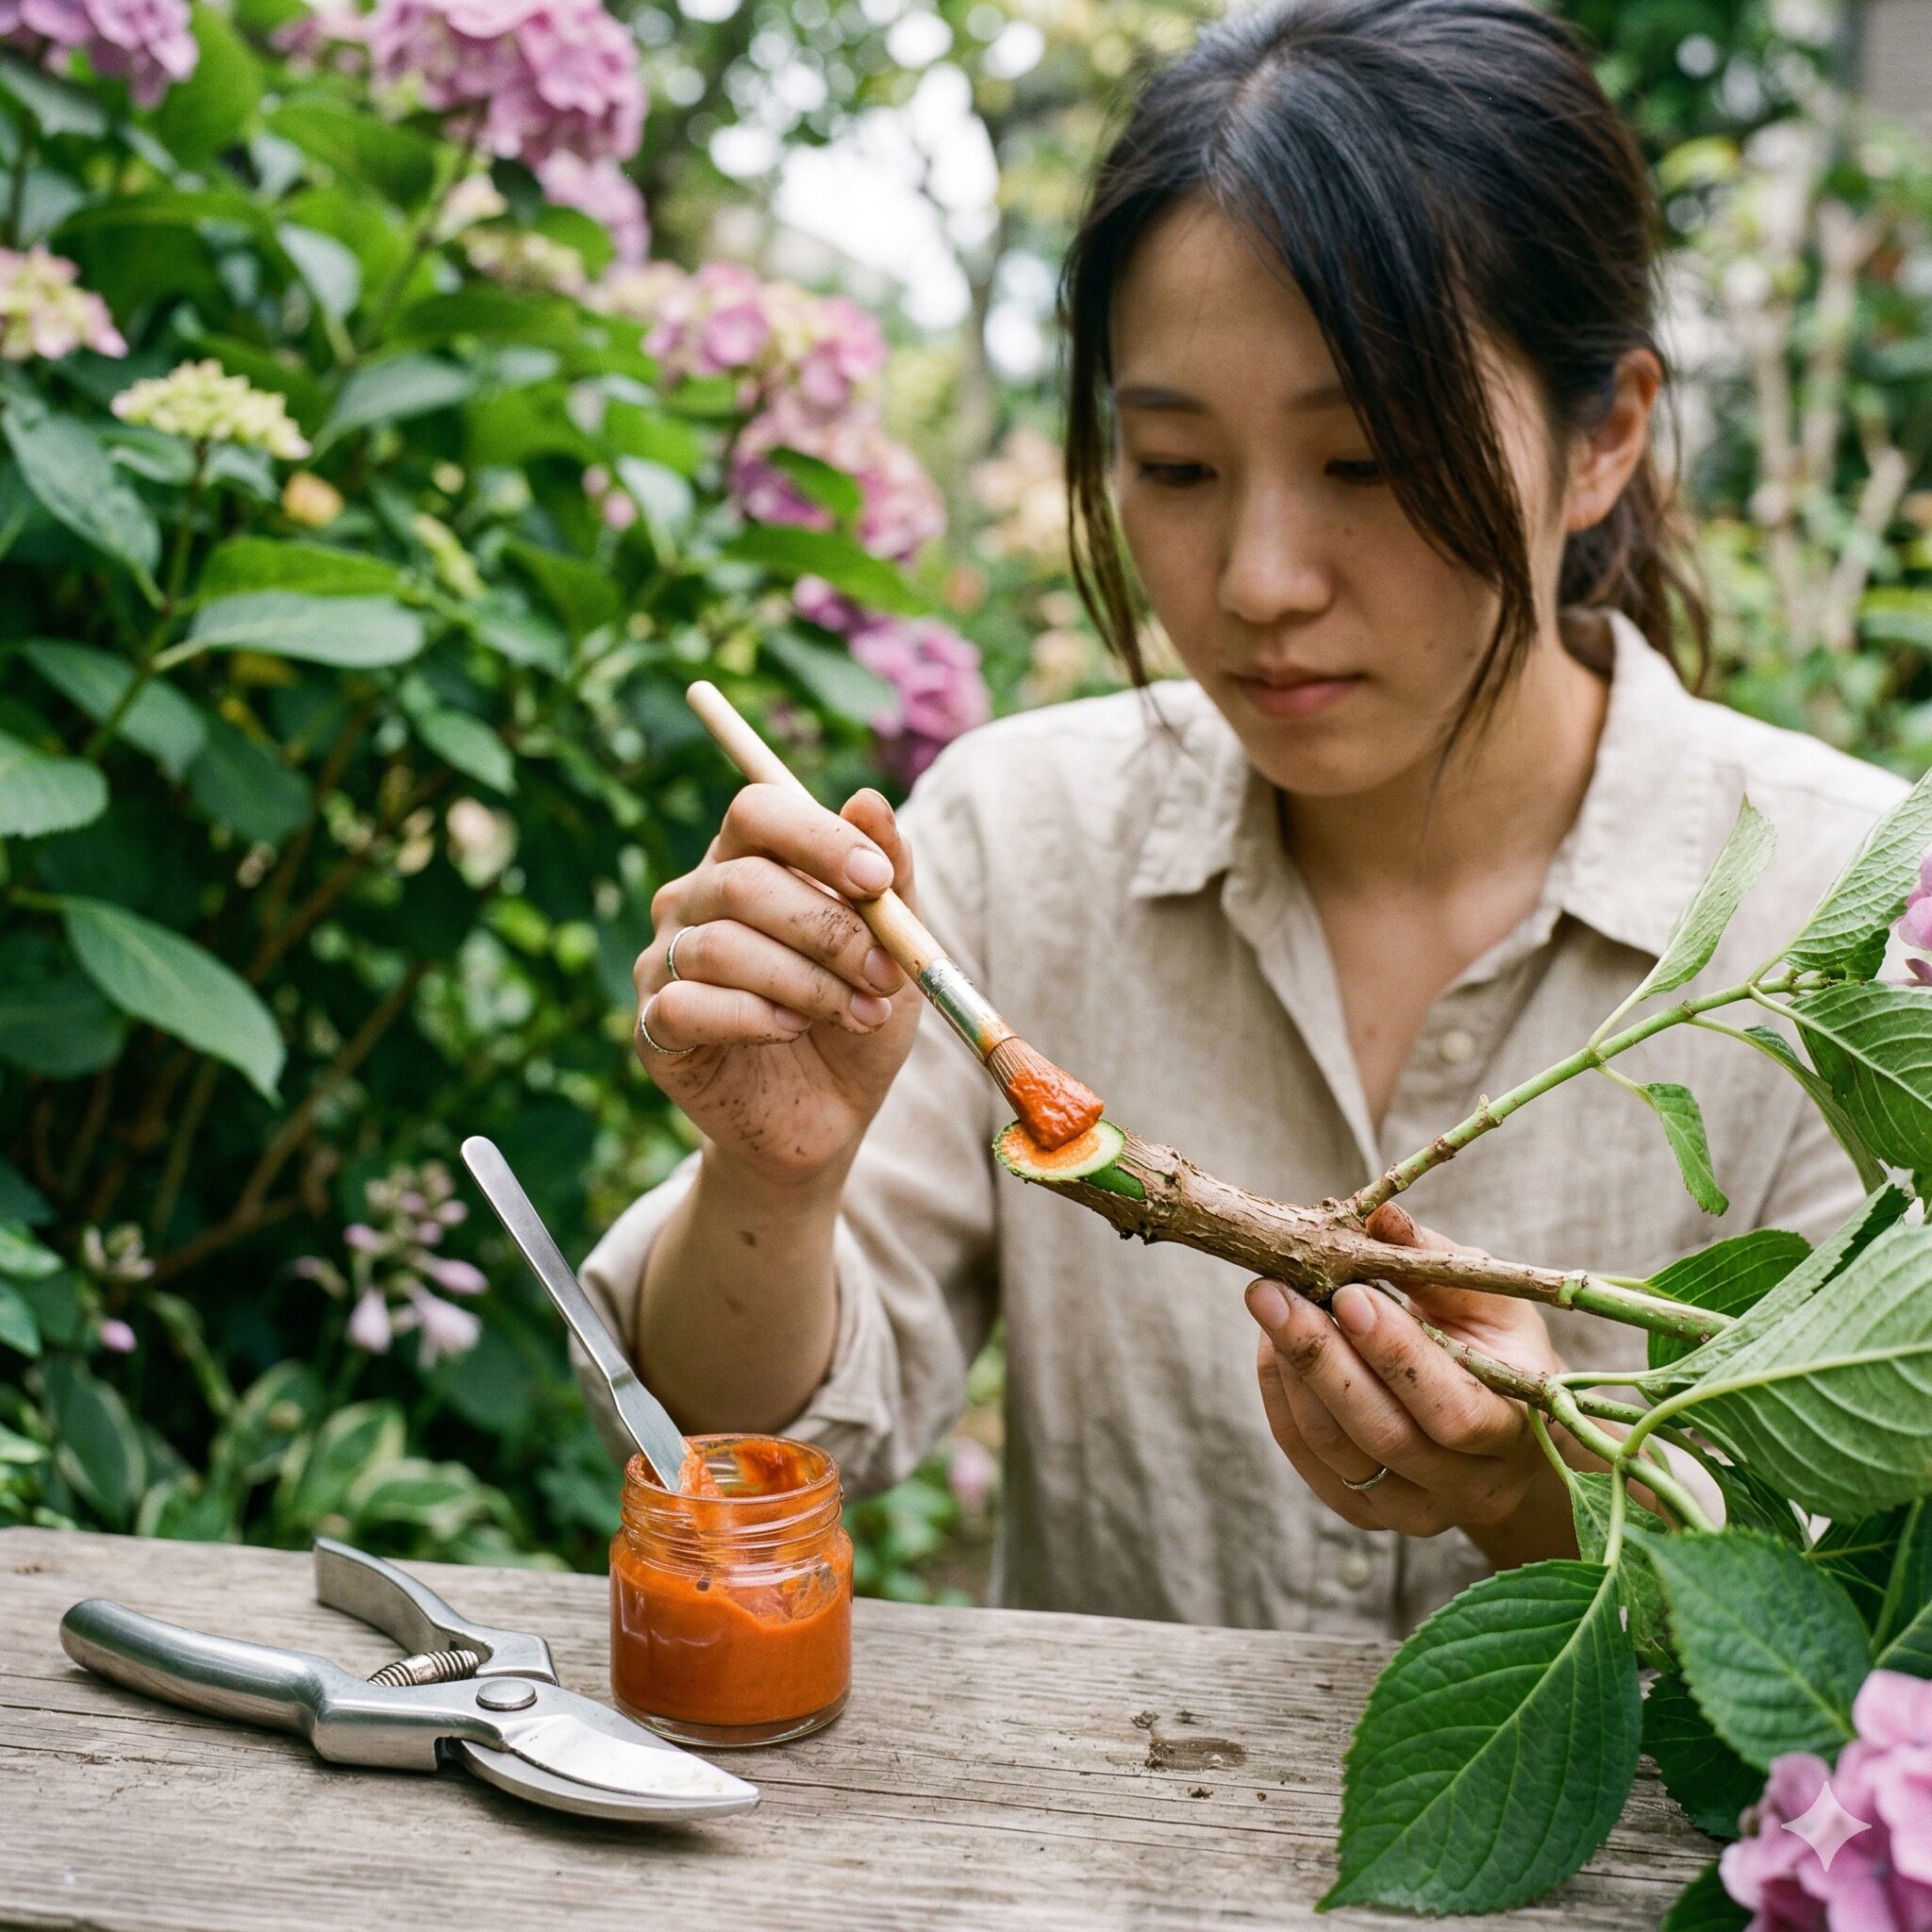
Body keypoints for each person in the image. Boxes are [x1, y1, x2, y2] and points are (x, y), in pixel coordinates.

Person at [577, 0, 1904, 1636]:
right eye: (1179, 470)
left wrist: (1545, 1492)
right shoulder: (1013, 838)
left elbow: (1857, 1613)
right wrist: (773, 1177)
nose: (1261, 583)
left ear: (1604, 436)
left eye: (1364, 462)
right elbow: (744, 1441)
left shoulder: (1848, 914)